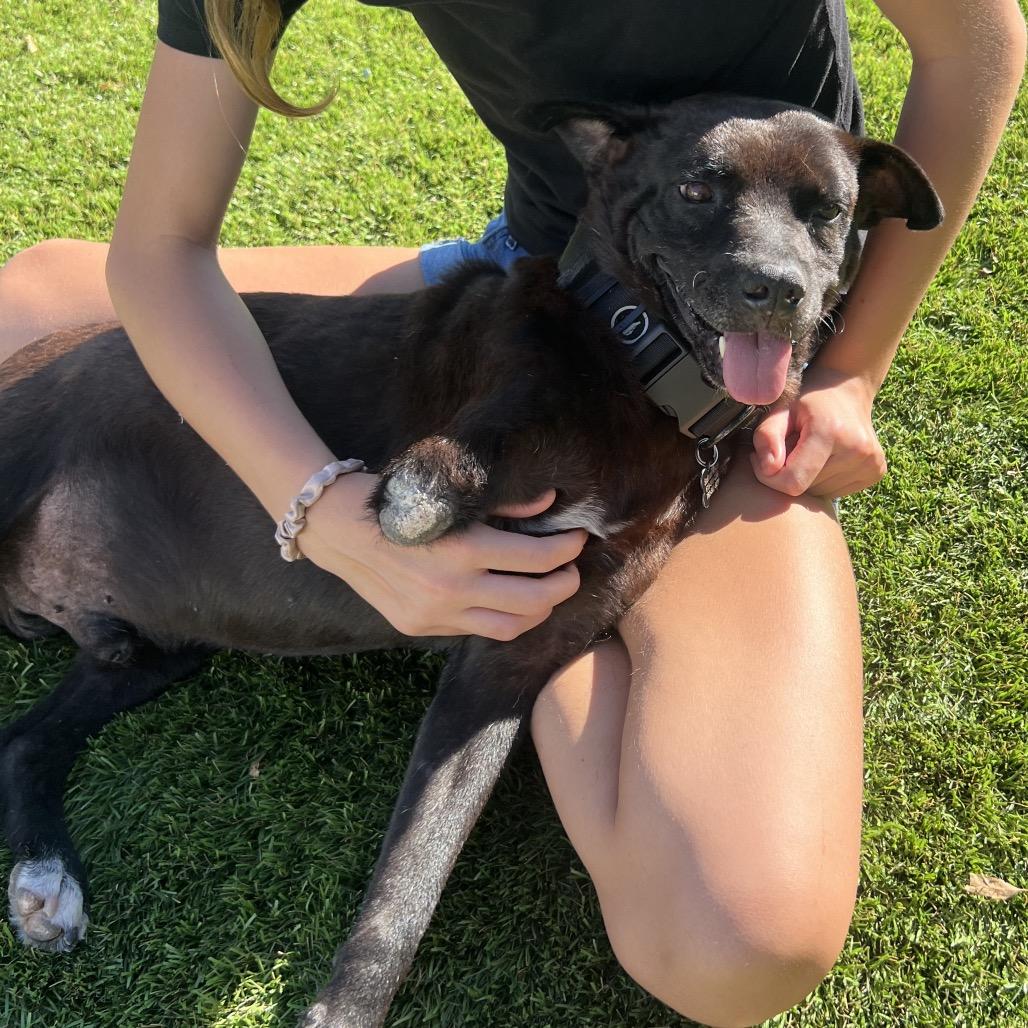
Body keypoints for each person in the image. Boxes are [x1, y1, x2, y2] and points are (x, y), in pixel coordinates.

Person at [0, 1, 1023, 1023]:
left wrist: (848, 370)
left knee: (735, 944)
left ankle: (570, 611)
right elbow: (161, 251)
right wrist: (320, 509)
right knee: (32, 308)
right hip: (539, 276)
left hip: (729, 386)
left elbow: (975, 37)